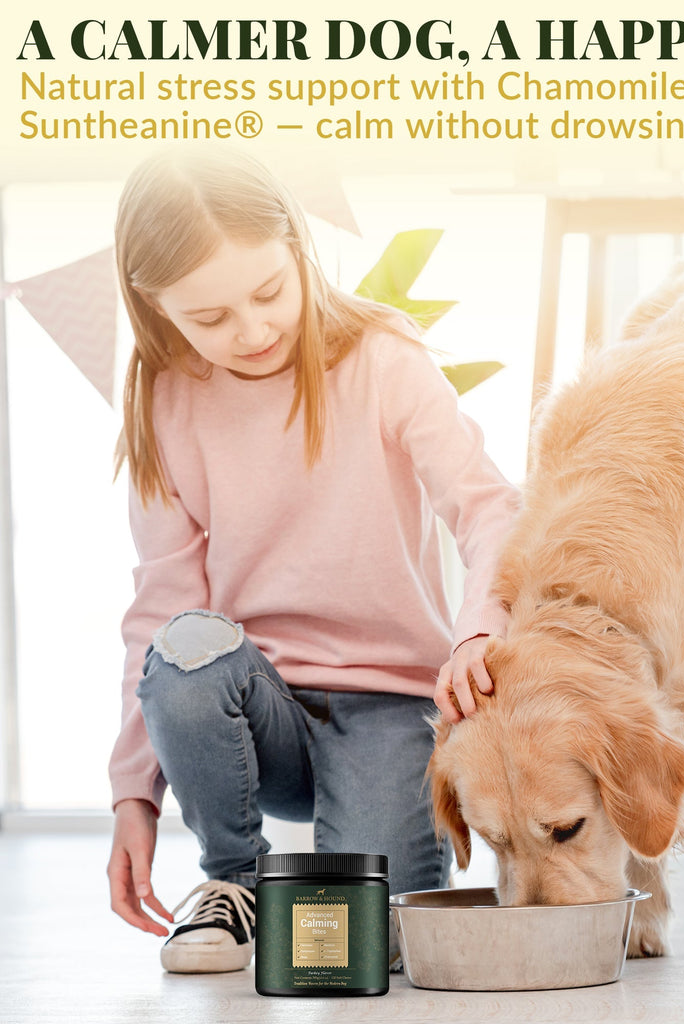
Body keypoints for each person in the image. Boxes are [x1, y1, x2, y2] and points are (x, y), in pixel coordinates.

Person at [106, 148, 519, 974]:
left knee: (371, 947)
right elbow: (161, 614)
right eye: (210, 318)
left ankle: (338, 893)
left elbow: (489, 509)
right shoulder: (167, 403)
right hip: (257, 713)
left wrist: (479, 635)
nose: (253, 333)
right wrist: (132, 794)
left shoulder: (383, 358)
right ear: (156, 307)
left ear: (297, 248)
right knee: (184, 646)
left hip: (393, 709)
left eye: (268, 293)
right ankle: (233, 883)